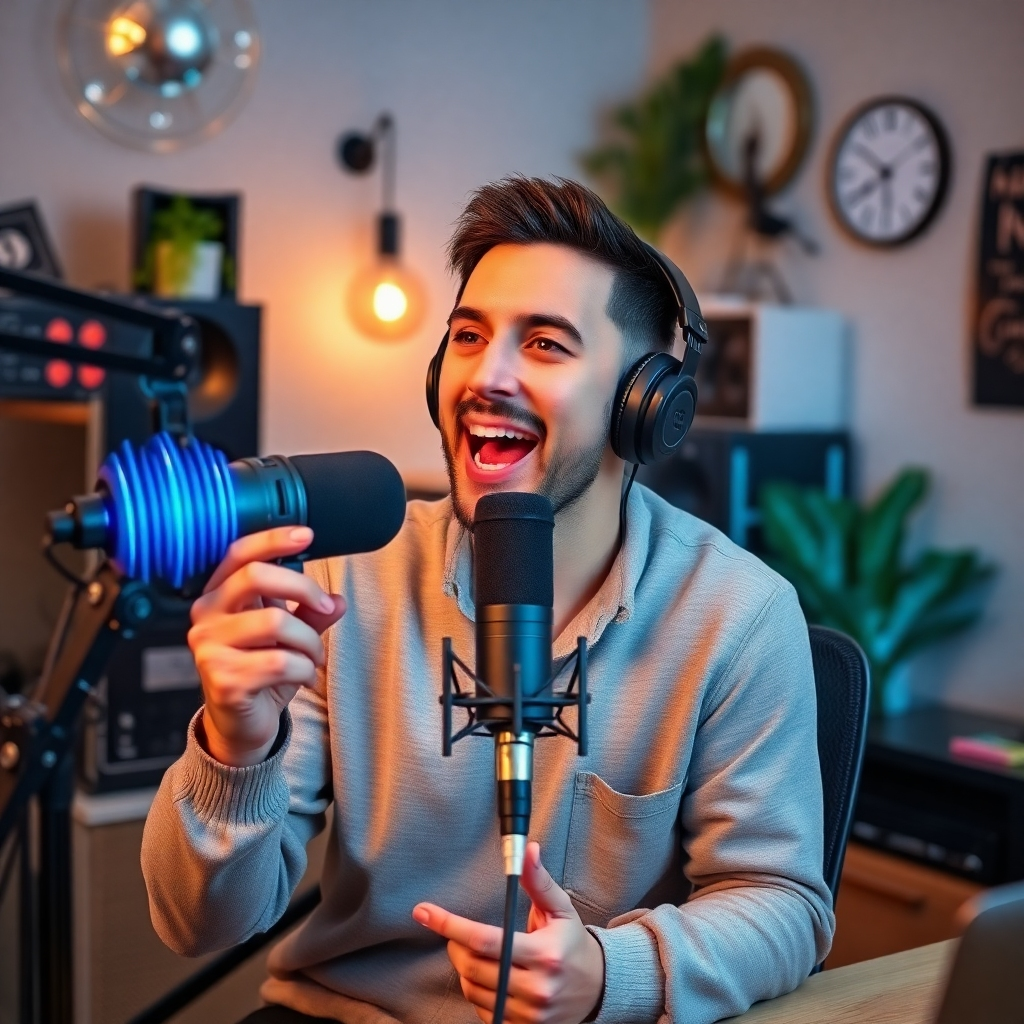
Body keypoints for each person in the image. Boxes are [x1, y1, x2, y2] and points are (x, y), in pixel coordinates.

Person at [141, 177, 834, 1024]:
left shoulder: (738, 614)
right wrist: (233, 747)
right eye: (468, 337)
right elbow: (195, 924)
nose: (487, 375)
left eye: (545, 344)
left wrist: (613, 975)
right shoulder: (343, 578)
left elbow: (782, 903)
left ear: (644, 405)